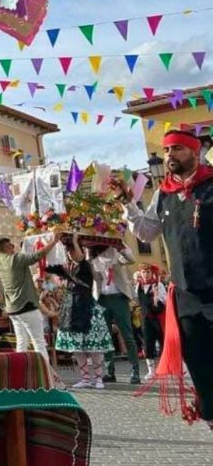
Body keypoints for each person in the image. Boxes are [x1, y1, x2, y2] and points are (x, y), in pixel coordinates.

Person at [114, 129, 213, 424]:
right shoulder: (163, 194)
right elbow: (146, 231)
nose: (170, 156)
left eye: (178, 149)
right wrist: (127, 204)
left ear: (195, 153)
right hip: (186, 296)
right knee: (200, 367)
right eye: (168, 151)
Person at [46, 234, 113, 389]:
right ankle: (84, 378)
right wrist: (52, 244)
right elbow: (49, 266)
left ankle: (98, 378)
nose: (70, 254)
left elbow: (82, 259)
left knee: (94, 346)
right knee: (76, 347)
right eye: (68, 252)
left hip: (87, 307)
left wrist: (75, 241)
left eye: (73, 251)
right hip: (71, 309)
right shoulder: (68, 269)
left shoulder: (85, 266)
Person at [0, 232, 61, 366]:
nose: (14, 248)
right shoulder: (15, 259)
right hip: (26, 305)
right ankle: (46, 374)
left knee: (22, 342)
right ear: (7, 248)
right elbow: (37, 256)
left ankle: (21, 373)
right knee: (39, 342)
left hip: (13, 309)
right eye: (11, 246)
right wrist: (53, 241)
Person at [91, 243, 141, 384]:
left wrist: (121, 247)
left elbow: (131, 259)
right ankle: (109, 372)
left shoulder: (117, 255)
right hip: (103, 300)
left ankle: (135, 372)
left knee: (127, 335)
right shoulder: (94, 260)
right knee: (106, 337)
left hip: (119, 298)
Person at [135, 264, 166, 381]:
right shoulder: (139, 286)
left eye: (148, 272)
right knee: (148, 344)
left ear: (152, 273)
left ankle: (170, 367)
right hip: (145, 319)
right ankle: (151, 371)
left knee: (164, 341)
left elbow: (165, 300)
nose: (146, 274)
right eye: (143, 272)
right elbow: (136, 300)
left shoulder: (158, 285)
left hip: (158, 318)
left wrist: (157, 297)